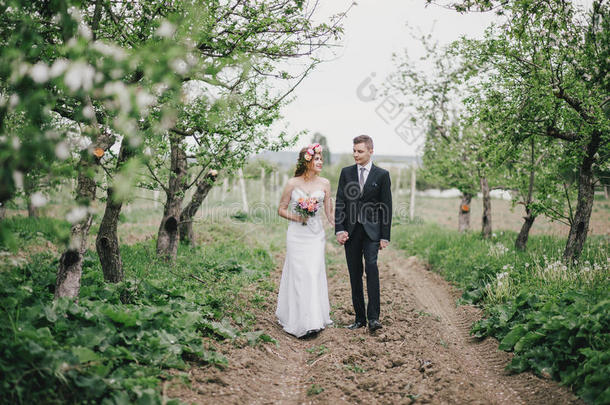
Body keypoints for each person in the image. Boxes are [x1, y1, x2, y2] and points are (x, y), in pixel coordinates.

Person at [276, 144, 334, 338]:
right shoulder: (292, 183)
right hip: (296, 234)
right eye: (317, 159)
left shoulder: (325, 183)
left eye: (321, 159)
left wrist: (341, 228)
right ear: (307, 161)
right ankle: (299, 320)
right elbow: (281, 209)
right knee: (299, 274)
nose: (320, 162)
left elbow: (330, 212)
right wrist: (298, 217)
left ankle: (313, 320)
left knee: (312, 272)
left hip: (315, 235)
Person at [335, 135, 392, 333]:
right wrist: (339, 229)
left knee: (372, 268)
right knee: (355, 274)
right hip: (351, 232)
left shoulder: (382, 175)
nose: (355, 154)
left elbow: (386, 206)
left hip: (372, 232)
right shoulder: (346, 173)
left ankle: (374, 318)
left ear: (370, 151)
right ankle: (359, 319)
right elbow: (340, 202)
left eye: (360, 151)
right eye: (354, 151)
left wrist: (385, 236)